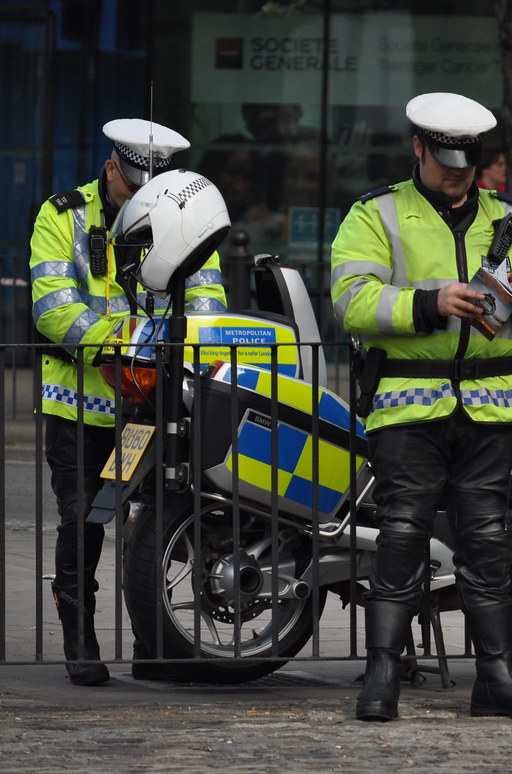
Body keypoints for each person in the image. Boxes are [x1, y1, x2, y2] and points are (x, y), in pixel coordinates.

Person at [331, 92, 512, 722]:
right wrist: (429, 303)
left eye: (468, 163)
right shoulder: (375, 213)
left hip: (490, 406)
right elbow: (351, 300)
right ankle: (382, 675)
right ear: (418, 147)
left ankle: (496, 679)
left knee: (489, 542)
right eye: (445, 162)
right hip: (408, 405)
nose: (458, 174)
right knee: (402, 536)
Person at [29, 119, 228, 686]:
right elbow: (54, 309)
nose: (143, 200)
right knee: (81, 522)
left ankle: (154, 646)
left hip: (158, 406)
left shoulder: (186, 214)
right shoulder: (63, 216)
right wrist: (131, 342)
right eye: (133, 188)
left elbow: (209, 303)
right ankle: (80, 640)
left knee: (159, 525)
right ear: (112, 168)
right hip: (81, 406)